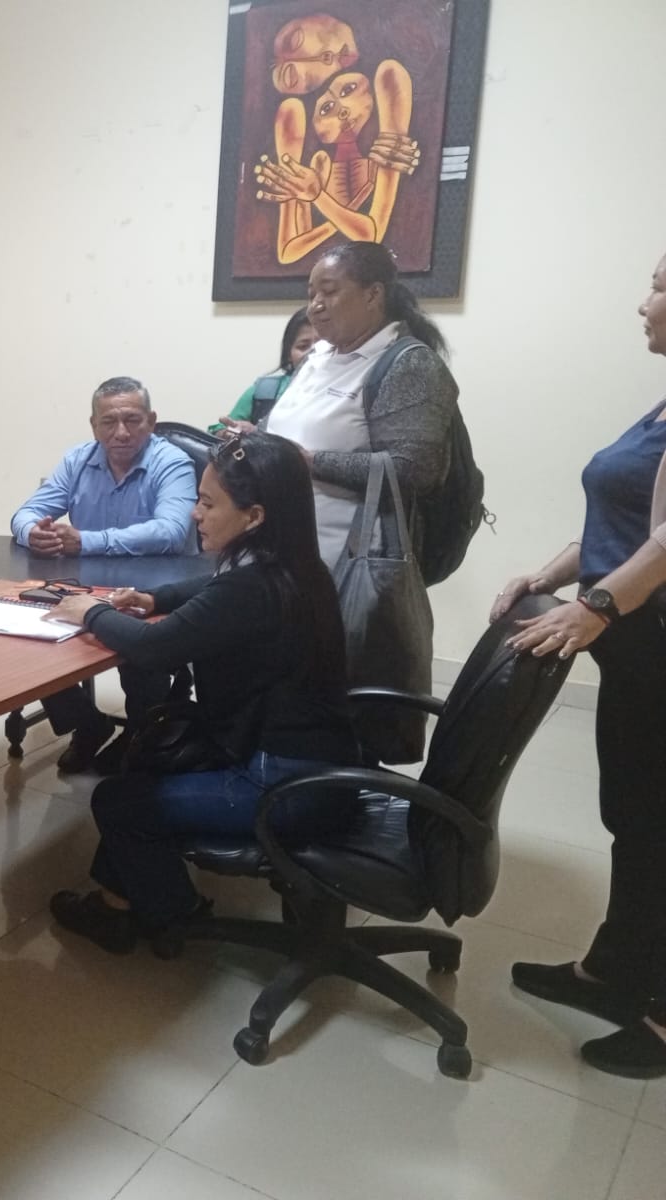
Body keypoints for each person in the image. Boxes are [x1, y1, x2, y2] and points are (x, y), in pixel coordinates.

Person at [45, 432, 360, 951]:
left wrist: (92, 612)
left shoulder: (251, 589)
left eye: (209, 504)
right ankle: (117, 902)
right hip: (318, 762)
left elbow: (154, 649)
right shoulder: (296, 568)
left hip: (282, 785)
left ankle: (174, 916)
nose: (196, 513)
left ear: (254, 516)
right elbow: (209, 590)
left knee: (119, 801)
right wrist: (154, 597)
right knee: (146, 766)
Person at [499, 252, 666, 1080]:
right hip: (632, 647)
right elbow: (616, 523)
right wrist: (544, 576)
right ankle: (614, 970)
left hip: (652, 638)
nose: (644, 302)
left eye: (661, 286)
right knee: (635, 817)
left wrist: (595, 606)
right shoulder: (660, 406)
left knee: (660, 821)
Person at [226, 241, 458, 764]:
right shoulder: (320, 358)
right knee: (274, 687)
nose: (315, 305)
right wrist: (257, 442)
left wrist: (310, 462)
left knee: (330, 695)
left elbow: (415, 469)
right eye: (311, 293)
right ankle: (271, 776)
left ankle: (327, 787)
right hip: (284, 559)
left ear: (374, 294)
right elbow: (289, 436)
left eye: (329, 291)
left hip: (344, 565)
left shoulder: (408, 365)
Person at [10, 377, 198, 773]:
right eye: (109, 422)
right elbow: (25, 513)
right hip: (88, 587)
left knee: (139, 648)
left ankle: (142, 734)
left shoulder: (172, 462)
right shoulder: (78, 460)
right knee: (32, 630)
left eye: (132, 420)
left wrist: (87, 541)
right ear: (94, 425)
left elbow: (171, 531)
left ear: (151, 421)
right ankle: (87, 723)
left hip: (154, 591)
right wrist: (33, 533)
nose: (121, 432)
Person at [212, 307, 316, 431]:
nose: (313, 353)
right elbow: (221, 429)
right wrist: (229, 432)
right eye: (303, 346)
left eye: (323, 344)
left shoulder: (337, 393)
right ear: (289, 353)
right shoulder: (265, 391)